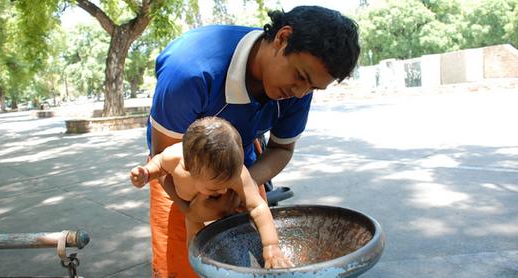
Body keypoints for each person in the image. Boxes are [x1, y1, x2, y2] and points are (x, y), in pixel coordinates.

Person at [146, 5, 360, 277]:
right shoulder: (190, 70)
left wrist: (240, 187)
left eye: (313, 88)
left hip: (239, 163)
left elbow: (281, 148)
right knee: (182, 265)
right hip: (180, 166)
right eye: (300, 77)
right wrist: (190, 205)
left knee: (250, 260)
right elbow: (164, 155)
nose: (300, 93)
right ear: (282, 38)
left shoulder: (298, 92)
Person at [131, 117, 294, 268]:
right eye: (215, 188)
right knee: (196, 251)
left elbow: (258, 208)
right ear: (189, 167)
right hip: (193, 215)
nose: (224, 191)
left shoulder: (239, 174)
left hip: (230, 213)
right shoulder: (174, 157)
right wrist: (146, 173)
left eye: (229, 184)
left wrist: (271, 245)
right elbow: (158, 163)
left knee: (242, 249)